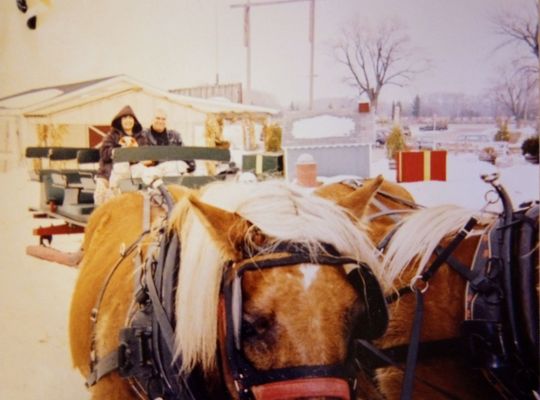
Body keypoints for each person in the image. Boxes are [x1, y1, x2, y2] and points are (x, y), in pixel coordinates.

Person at [94, 105, 147, 205]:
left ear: (134, 121)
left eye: (130, 118)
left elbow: (145, 156)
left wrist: (135, 154)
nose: (128, 120)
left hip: (133, 174)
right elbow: (104, 153)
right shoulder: (111, 135)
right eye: (125, 118)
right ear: (120, 120)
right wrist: (118, 152)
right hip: (109, 174)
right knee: (101, 194)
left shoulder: (141, 138)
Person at [142, 109, 196, 173]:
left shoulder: (174, 135)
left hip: (173, 170)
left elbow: (184, 152)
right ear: (152, 120)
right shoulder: (144, 135)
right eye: (157, 118)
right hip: (153, 171)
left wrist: (191, 165)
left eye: (163, 119)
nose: (160, 121)